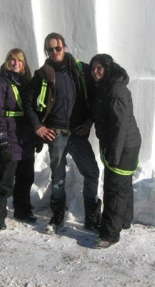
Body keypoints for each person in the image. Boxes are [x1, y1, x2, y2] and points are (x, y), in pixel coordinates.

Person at [23, 32, 101, 233]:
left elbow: (96, 96)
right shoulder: (42, 74)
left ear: (64, 47)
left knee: (92, 172)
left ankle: (92, 217)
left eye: (58, 47)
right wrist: (37, 127)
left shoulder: (81, 70)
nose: (55, 51)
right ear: (46, 51)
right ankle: (57, 216)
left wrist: (89, 120)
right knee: (58, 177)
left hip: (78, 132)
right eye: (50, 49)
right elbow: (27, 103)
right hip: (55, 134)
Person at [89, 54, 141, 248]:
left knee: (114, 188)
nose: (95, 72)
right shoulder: (107, 86)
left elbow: (120, 125)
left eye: (99, 68)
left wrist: (114, 153)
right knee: (123, 184)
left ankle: (109, 234)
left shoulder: (115, 89)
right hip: (124, 143)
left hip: (122, 144)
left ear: (108, 69)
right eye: (93, 68)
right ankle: (124, 221)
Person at [0, 48, 37, 230]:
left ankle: (22, 210)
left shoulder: (27, 84)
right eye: (12, 59)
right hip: (9, 136)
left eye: (19, 61)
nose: (15, 63)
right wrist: (2, 138)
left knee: (26, 177)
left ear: (24, 65)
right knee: (5, 178)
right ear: (6, 61)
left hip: (25, 138)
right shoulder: (0, 83)